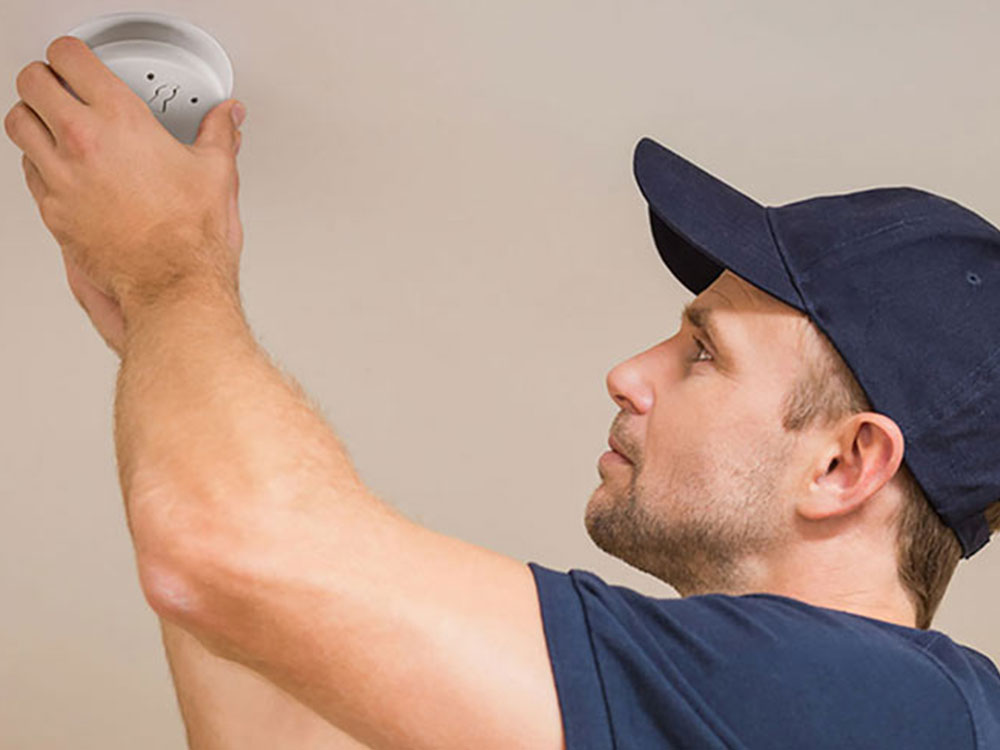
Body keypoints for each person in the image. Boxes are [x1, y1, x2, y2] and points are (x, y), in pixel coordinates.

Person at [6, 36, 999, 750]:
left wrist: (172, 272)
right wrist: (156, 331)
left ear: (844, 463)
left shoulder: (883, 703)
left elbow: (224, 555)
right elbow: (271, 707)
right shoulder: (737, 712)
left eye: (701, 352)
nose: (628, 373)